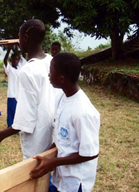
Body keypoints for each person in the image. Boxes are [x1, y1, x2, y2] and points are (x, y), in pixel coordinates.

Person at [0, 19, 55, 160]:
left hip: (37, 142)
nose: (19, 41)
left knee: (39, 176)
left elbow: (26, 119)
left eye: (19, 37)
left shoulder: (27, 70)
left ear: (25, 39)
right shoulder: (52, 61)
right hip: (55, 139)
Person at [30, 53, 100, 192]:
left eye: (51, 72)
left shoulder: (83, 111)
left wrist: (54, 162)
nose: (48, 75)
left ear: (62, 79)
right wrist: (47, 155)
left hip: (75, 182)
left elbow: (90, 153)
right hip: (61, 177)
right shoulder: (62, 98)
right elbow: (62, 136)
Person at [3, 44, 24, 127]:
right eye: (13, 59)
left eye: (17, 59)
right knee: (11, 111)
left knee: (18, 111)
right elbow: (5, 61)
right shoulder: (9, 69)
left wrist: (20, 47)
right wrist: (9, 49)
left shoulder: (20, 68)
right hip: (11, 94)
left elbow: (24, 56)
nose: (15, 61)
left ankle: (17, 125)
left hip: (19, 94)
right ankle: (10, 125)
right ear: (10, 60)